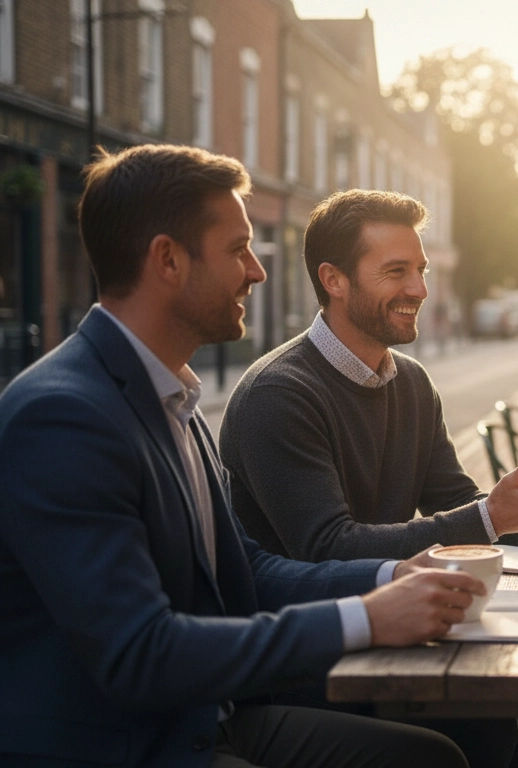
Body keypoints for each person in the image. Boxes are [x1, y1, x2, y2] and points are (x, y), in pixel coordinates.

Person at [0, 144, 486, 767]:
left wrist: (391, 579)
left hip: (209, 716)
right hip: (131, 744)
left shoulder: (173, 397)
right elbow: (138, 654)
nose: (256, 272)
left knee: (436, 754)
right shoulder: (64, 417)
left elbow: (246, 572)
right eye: (237, 250)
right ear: (168, 260)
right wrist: (361, 621)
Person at [218, 188, 518, 768]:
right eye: (396, 271)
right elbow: (325, 548)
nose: (418, 288)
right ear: (334, 280)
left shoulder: (411, 382)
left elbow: (459, 504)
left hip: (403, 631)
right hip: (315, 658)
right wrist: (493, 516)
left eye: (420, 269)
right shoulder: (280, 395)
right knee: (488, 724)